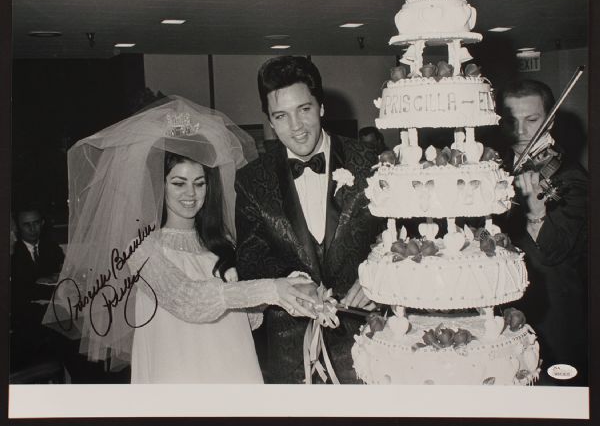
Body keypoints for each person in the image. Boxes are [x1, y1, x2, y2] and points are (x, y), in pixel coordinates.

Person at [44, 96, 317, 384]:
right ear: (159, 185)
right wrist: (273, 289)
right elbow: (190, 300)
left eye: (199, 183)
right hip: (178, 370)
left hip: (232, 365)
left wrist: (291, 284)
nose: (191, 194)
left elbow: (248, 318)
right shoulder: (142, 250)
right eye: (178, 183)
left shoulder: (224, 242)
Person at [235, 56, 385, 383]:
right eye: (281, 116)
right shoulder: (251, 181)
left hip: (367, 344)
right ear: (270, 122)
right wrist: (292, 280)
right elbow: (250, 261)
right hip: (288, 353)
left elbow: (401, 238)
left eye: (303, 109)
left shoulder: (371, 163)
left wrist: (380, 277)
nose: (296, 127)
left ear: (321, 108)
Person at [497, 79, 588, 386]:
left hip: (552, 315)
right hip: (507, 310)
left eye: (532, 120)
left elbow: (556, 250)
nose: (521, 132)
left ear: (551, 120)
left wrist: (537, 213)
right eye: (512, 121)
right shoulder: (497, 167)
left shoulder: (572, 177)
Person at [11, 203, 65, 373]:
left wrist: (41, 282)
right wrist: (44, 282)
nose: (32, 229)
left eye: (36, 222)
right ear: (18, 227)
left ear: (42, 223)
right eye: (27, 225)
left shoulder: (52, 248)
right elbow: (19, 292)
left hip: (53, 311)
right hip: (25, 318)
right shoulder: (13, 252)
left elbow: (64, 280)